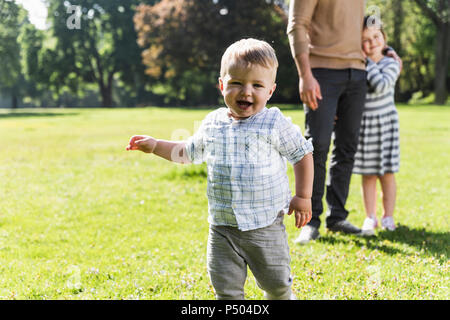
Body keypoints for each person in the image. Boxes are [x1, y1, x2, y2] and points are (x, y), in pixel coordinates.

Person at [126, 38, 314, 300]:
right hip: (222, 228)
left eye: (257, 85)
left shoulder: (273, 122)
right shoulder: (214, 123)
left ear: (270, 91)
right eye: (236, 82)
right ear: (222, 84)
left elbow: (302, 154)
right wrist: (156, 145)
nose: (246, 92)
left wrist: (303, 196)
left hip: (265, 225)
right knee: (226, 290)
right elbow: (187, 152)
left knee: (277, 285)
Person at [287, 0, 369, 244]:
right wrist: (305, 75)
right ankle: (311, 222)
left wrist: (385, 52)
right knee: (318, 146)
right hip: (321, 72)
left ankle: (338, 217)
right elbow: (296, 26)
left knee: (347, 147)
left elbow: (362, 28)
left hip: (357, 72)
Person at [353, 17, 401, 235]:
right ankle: (370, 217)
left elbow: (381, 85)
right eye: (365, 40)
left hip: (386, 126)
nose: (372, 43)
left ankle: (388, 216)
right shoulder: (358, 66)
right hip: (366, 126)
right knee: (368, 174)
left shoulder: (391, 63)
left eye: (376, 37)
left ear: (384, 38)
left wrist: (368, 62)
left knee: (387, 174)